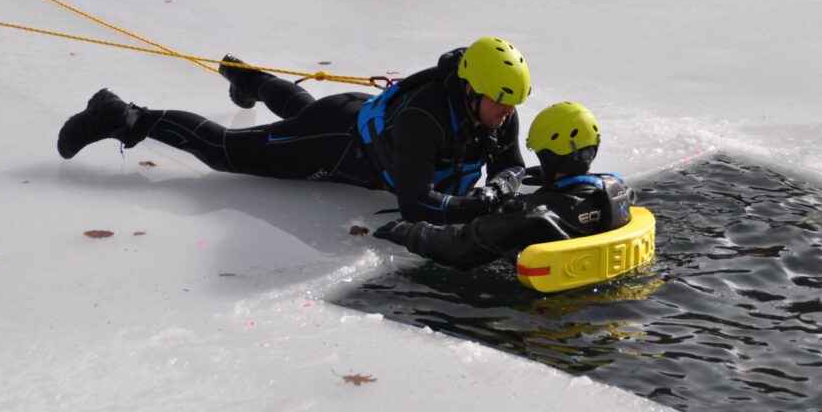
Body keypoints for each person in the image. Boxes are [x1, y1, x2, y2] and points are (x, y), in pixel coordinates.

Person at [56, 37, 531, 224]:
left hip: (351, 116)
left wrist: (509, 188)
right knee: (228, 151)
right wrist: (484, 204)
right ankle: (123, 115)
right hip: (337, 144)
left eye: (514, 104)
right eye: (501, 101)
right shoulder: (424, 120)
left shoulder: (494, 111)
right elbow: (416, 203)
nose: (508, 113)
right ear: (470, 89)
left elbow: (512, 168)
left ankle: (249, 78)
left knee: (304, 110)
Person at [372, 101, 634, 269]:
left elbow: (462, 247)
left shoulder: (533, 214)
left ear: (547, 157)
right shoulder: (619, 190)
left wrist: (410, 232)